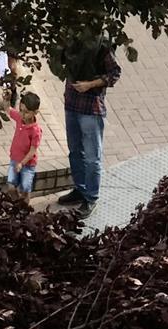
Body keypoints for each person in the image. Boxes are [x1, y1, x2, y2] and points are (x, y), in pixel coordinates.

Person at [54, 35, 121, 219]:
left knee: (92, 157)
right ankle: (80, 189)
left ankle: (91, 197)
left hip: (90, 108)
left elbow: (114, 74)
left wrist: (89, 85)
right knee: (74, 151)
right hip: (71, 103)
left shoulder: (102, 44)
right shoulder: (72, 37)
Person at [6, 92, 42, 205]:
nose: (22, 114)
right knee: (11, 187)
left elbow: (32, 151)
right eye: (21, 110)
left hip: (28, 164)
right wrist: (7, 99)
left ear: (35, 112)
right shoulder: (19, 118)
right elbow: (8, 109)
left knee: (25, 189)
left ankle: (24, 208)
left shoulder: (36, 131)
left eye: (26, 112)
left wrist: (22, 163)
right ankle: (17, 205)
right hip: (14, 160)